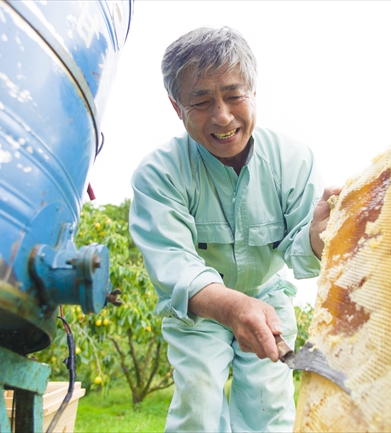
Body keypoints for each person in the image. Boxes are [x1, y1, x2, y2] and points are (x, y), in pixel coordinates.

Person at [129, 26, 339, 432]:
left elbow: (300, 250)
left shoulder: (293, 160)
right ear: (177, 107)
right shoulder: (159, 174)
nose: (222, 116)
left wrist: (316, 237)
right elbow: (175, 266)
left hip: (266, 296)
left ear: (254, 92)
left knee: (269, 409)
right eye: (202, 101)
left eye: (233, 95)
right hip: (200, 309)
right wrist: (230, 306)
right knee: (199, 403)